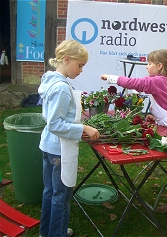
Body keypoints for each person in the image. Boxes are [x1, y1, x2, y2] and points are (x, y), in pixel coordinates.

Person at [101, 49, 167, 223]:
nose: (147, 67)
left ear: (159, 66)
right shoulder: (162, 80)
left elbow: (135, 83)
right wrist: (155, 117)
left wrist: (111, 78)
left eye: (149, 64)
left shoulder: (158, 81)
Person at [38, 39, 100, 237]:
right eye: (80, 65)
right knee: (61, 195)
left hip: (49, 146)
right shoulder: (61, 88)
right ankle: (57, 232)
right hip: (59, 149)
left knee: (50, 191)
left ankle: (46, 231)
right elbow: (55, 124)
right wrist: (84, 127)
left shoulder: (51, 80)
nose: (81, 70)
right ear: (66, 59)